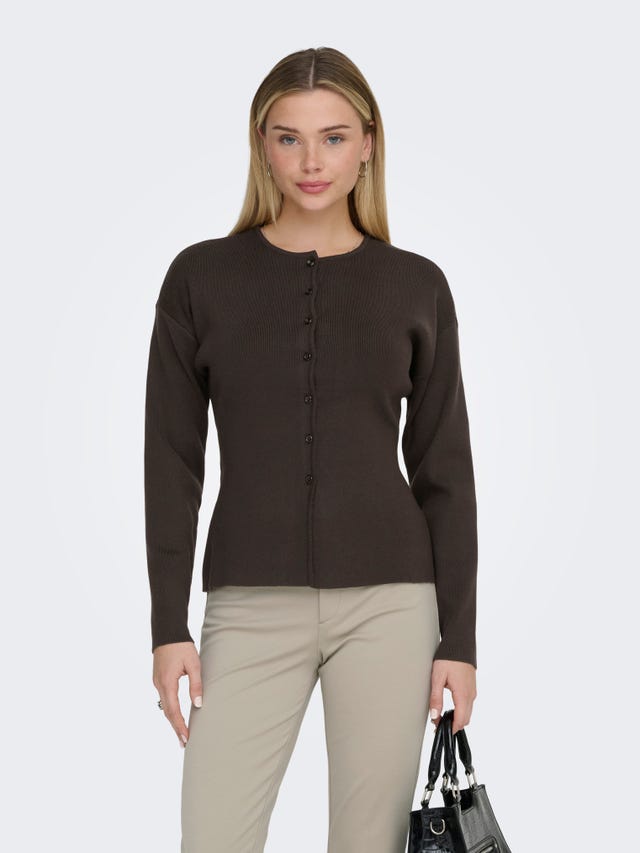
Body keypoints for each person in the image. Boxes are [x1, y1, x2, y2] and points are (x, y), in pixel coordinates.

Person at [145, 46, 478, 853]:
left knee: (371, 842)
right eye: (289, 137)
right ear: (262, 145)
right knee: (214, 837)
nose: (311, 161)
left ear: (368, 144)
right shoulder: (200, 278)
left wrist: (460, 641)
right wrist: (167, 624)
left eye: (333, 137)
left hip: (393, 604)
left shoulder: (416, 284)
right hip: (248, 604)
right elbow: (171, 462)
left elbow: (445, 471)